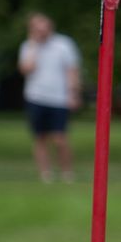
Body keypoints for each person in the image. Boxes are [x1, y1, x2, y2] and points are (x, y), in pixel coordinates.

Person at [19, 13, 82, 182]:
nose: (41, 30)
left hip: (59, 98)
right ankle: (45, 174)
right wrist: (33, 45)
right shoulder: (28, 46)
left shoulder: (64, 44)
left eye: (44, 26)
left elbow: (72, 70)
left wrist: (73, 93)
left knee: (60, 138)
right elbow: (26, 69)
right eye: (37, 27)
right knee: (40, 138)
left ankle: (67, 173)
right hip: (36, 97)